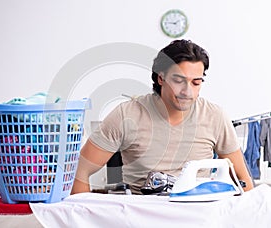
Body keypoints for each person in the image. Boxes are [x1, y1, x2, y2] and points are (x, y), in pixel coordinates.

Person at [71, 39, 254, 195]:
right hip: (143, 213)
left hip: (200, 212)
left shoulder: (215, 116)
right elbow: (80, 172)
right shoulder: (126, 115)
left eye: (196, 82)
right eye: (178, 80)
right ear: (161, 78)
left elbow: (243, 179)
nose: (187, 91)